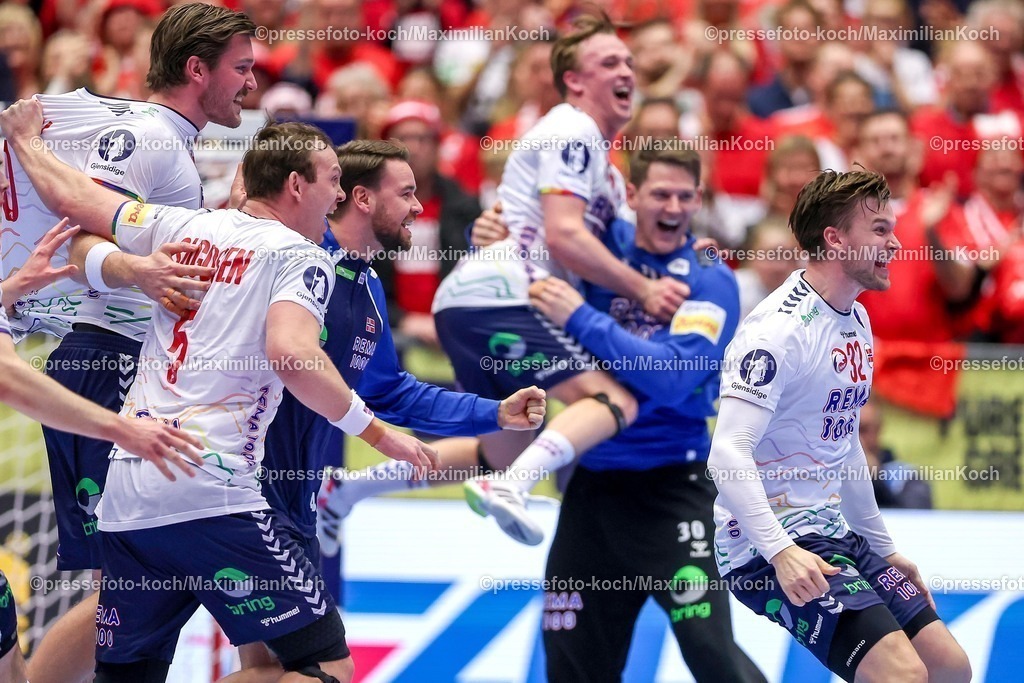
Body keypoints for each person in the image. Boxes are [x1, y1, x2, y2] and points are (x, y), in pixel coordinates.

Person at [2, 102, 437, 683]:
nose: (338, 196)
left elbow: (79, 201)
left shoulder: (184, 225)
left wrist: (27, 141)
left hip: (128, 492)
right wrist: (380, 435)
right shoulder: (303, 258)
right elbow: (293, 355)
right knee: (325, 666)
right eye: (332, 180)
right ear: (295, 186)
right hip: (213, 488)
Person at [0, 5, 259, 683]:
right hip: (106, 360)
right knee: (133, 584)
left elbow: (134, 235)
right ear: (197, 69)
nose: (252, 83)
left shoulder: (168, 143)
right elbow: (82, 231)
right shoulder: (148, 137)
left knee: (132, 585)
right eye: (241, 68)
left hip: (117, 361)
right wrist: (136, 270)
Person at [238, 140, 545, 678]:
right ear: (361, 198)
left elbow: (394, 392)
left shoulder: (368, 285)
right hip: (244, 490)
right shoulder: (297, 259)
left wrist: (495, 413)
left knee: (271, 664)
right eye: (406, 194)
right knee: (325, 669)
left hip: (293, 499)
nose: (419, 208)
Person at [429, 11, 687, 545]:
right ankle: (511, 490)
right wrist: (643, 290)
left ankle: (349, 488)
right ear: (574, 80)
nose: (626, 71)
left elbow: (602, 239)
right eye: (609, 62)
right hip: (505, 297)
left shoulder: (606, 169)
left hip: (469, 301)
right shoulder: (573, 129)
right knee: (612, 403)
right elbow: (566, 236)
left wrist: (692, 254)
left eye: (629, 62)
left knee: (507, 444)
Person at [709, 168, 971, 681]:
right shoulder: (776, 332)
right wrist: (780, 551)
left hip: (831, 530)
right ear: (834, 239)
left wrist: (883, 549)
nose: (895, 244)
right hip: (762, 546)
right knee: (904, 676)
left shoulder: (855, 319)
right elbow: (727, 454)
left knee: (948, 668)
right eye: (880, 230)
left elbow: (843, 440)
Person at [526, 147, 765, 682]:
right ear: (631, 195)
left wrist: (581, 317)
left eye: (685, 196)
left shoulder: (709, 275)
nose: (673, 207)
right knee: (571, 666)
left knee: (712, 655)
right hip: (593, 489)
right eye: (660, 194)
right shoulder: (597, 246)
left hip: (673, 489)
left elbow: (674, 377)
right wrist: (486, 235)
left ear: (699, 200)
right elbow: (523, 255)